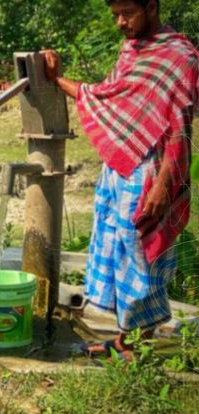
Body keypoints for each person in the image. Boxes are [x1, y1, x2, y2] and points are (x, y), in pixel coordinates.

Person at [41, 0, 198, 361]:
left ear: (152, 7)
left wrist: (162, 185)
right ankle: (129, 341)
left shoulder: (179, 57)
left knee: (141, 251)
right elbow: (104, 96)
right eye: (115, 14)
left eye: (127, 13)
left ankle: (138, 344)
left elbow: (179, 127)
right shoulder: (132, 49)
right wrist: (56, 79)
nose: (120, 22)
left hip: (153, 170)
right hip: (120, 168)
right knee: (116, 247)